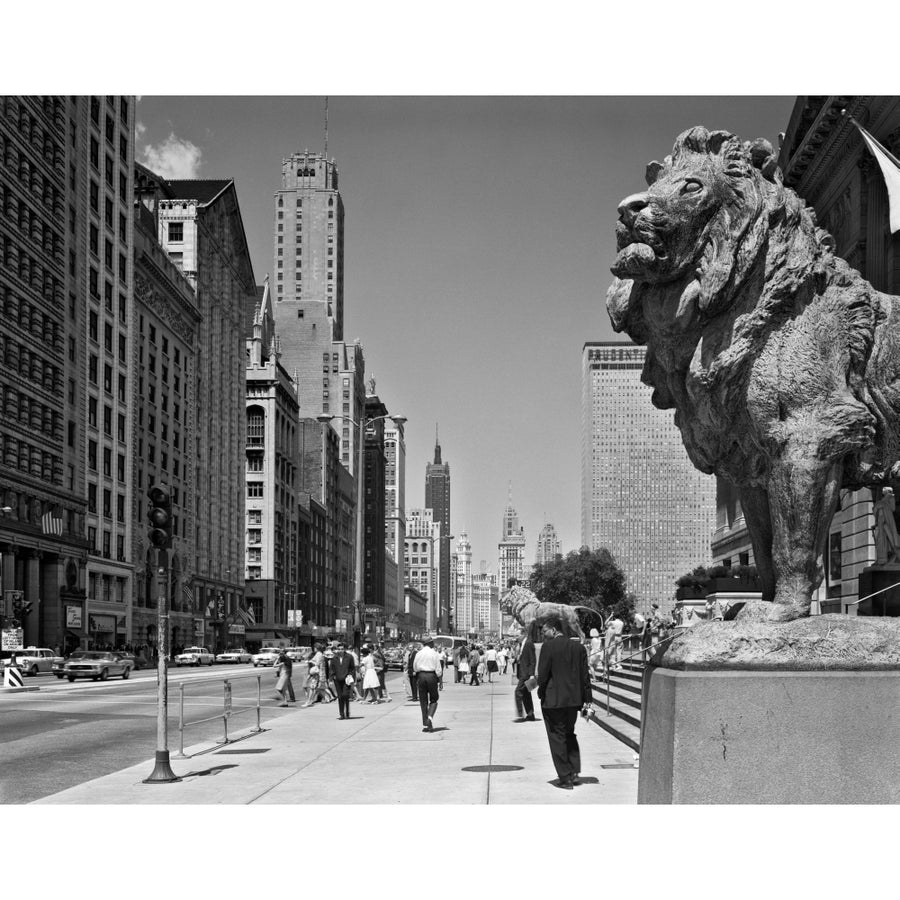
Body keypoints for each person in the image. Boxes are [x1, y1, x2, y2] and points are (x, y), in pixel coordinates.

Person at [536, 614, 592, 790]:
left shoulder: (548, 647)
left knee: (557, 737)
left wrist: (540, 691)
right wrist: (587, 699)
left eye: (545, 631)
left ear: (554, 630)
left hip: (553, 701)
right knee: (569, 733)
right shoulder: (579, 648)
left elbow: (543, 675)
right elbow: (585, 676)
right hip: (573, 701)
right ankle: (574, 771)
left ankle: (565, 777)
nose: (543, 634)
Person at [413, 635, 442, 732]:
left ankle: (425, 722)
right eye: (432, 642)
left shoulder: (418, 653)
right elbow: (438, 669)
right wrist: (440, 681)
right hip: (431, 676)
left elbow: (415, 667)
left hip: (421, 676)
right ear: (429, 643)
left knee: (423, 700)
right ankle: (429, 717)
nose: (433, 643)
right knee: (434, 699)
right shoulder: (434, 653)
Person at [514, 633, 538, 722]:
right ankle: (530, 714)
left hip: (526, 674)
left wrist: (531, 674)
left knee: (518, 691)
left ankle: (520, 714)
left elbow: (532, 660)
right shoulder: (522, 644)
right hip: (522, 672)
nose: (516, 637)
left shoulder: (528, 643)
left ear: (523, 634)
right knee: (525, 694)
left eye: (517, 634)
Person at [330, 641, 356, 720]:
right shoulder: (334, 658)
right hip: (337, 679)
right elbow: (332, 668)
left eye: (342, 649)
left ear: (344, 649)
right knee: (340, 697)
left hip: (346, 679)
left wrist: (350, 675)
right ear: (337, 650)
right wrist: (332, 677)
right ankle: (342, 714)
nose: (340, 650)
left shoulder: (349, 657)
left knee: (345, 695)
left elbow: (352, 668)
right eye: (339, 649)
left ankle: (347, 713)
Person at [874, 486, 900, 564]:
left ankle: (892, 557)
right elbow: (875, 511)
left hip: (888, 520)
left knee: (890, 538)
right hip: (881, 522)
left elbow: (893, 508)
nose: (882, 492)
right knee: (880, 538)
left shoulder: (890, 498)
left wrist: (884, 502)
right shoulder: (880, 502)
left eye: (884, 490)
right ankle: (882, 559)